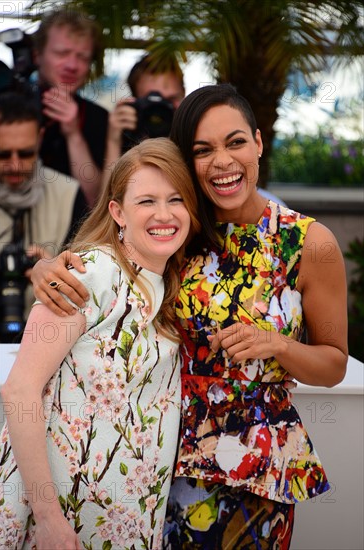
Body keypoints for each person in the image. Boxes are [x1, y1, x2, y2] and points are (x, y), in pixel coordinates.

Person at [29, 84, 348, 548]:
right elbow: (106, 252)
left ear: (258, 143)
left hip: (253, 469)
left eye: (235, 142)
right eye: (203, 150)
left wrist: (278, 345)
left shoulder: (308, 243)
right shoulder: (179, 227)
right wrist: (46, 266)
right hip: (155, 459)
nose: (222, 161)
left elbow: (334, 363)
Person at [0, 137, 200, 549]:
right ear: (117, 212)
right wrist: (49, 519)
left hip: (129, 523)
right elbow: (20, 390)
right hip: (60, 527)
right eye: (146, 201)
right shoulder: (89, 274)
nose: (164, 214)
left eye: (176, 199)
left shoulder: (173, 286)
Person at [0, 91, 87, 340]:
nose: (14, 164)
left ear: (40, 139)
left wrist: (59, 273)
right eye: (2, 155)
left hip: (50, 341)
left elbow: (90, 284)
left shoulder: (68, 194)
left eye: (25, 153)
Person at [33, 9, 108, 207]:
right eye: (62, 53)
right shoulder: (10, 106)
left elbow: (95, 203)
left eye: (83, 57)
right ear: (37, 55)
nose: (72, 65)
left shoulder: (99, 118)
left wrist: (74, 134)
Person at [104, 53, 185, 183]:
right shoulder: (127, 139)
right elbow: (108, 199)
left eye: (170, 100)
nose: (161, 110)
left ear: (184, 97)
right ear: (135, 103)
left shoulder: (197, 139)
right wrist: (113, 141)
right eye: (153, 102)